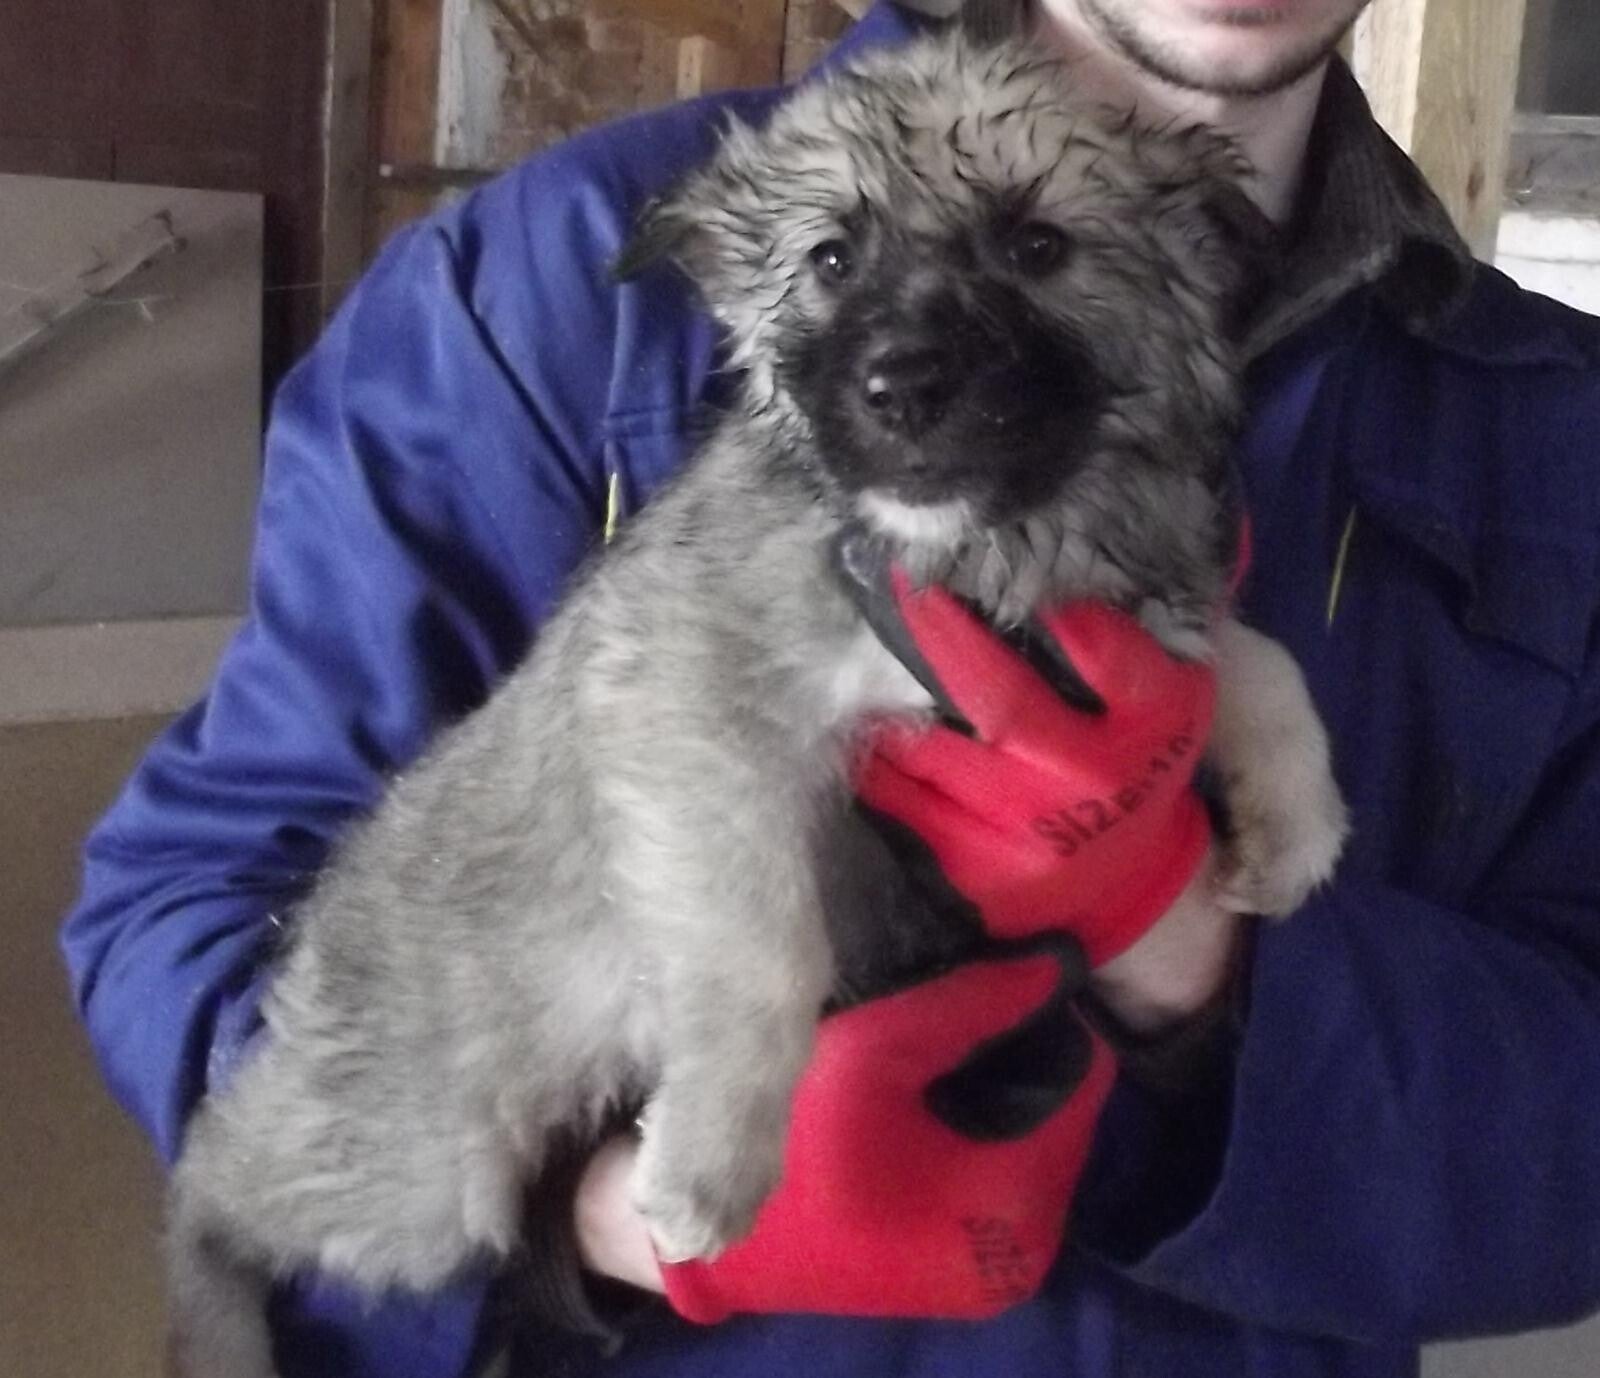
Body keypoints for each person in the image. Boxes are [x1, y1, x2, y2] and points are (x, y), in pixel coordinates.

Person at [61, 1, 1600, 1375]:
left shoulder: (1560, 429)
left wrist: (1192, 954)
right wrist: (591, 1222)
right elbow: (191, 905)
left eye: (1037, 252)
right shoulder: (552, 274)